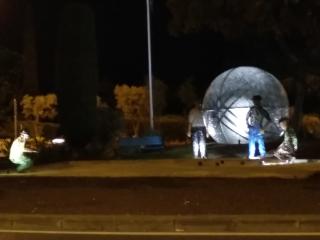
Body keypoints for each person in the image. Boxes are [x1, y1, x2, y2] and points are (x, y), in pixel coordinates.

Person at [246, 95, 271, 159]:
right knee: (252, 143)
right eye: (254, 101)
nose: (255, 102)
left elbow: (269, 120)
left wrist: (263, 128)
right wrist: (248, 124)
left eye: (256, 101)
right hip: (252, 128)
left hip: (259, 128)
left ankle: (263, 156)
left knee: (260, 142)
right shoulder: (252, 109)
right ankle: (251, 156)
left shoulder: (262, 110)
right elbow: (247, 117)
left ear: (259, 101)